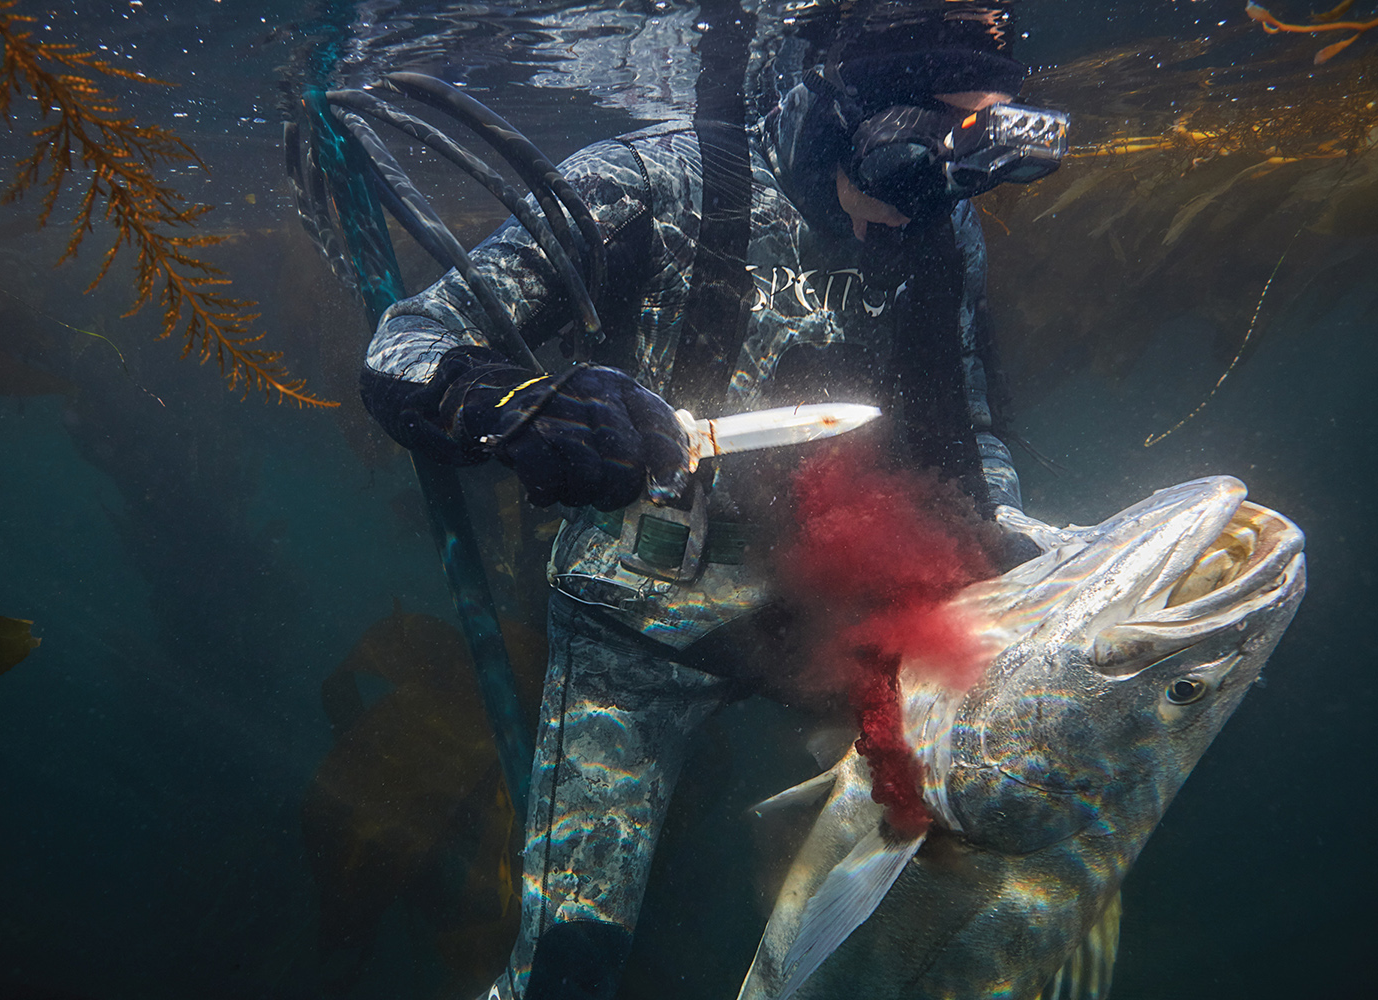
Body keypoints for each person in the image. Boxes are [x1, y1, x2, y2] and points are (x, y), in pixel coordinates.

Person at [359, 3, 1063, 997]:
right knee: (572, 964)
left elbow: (975, 431)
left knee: (964, 894)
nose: (930, 199)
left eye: (968, 164)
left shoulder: (943, 232)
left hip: (834, 622)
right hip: (634, 627)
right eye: (916, 157)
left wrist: (1021, 537)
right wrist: (525, 411)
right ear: (841, 115)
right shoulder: (649, 186)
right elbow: (405, 348)